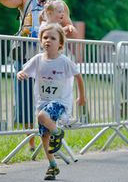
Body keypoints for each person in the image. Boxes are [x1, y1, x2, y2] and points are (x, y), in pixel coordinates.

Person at [0, 0, 80, 151]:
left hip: (50, 58)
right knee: (25, 99)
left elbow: (69, 27)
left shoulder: (59, 3)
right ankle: (31, 144)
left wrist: (69, 28)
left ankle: (51, 141)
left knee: (51, 99)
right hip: (26, 55)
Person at [17, 23, 86, 180]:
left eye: (53, 38)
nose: (48, 40)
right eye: (45, 37)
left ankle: (58, 132)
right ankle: (53, 166)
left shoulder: (64, 61)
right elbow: (24, 71)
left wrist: (82, 96)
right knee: (44, 136)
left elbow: (79, 77)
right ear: (41, 41)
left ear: (60, 43)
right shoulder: (37, 59)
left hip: (60, 102)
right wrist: (20, 74)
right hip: (42, 102)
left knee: (41, 117)